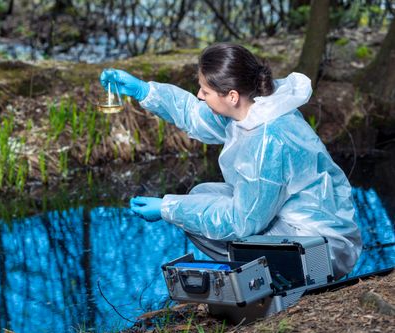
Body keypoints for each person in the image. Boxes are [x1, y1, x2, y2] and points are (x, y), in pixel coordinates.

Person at [99, 43, 362, 279]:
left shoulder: (268, 140)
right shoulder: (254, 105)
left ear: (232, 95)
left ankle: (274, 281)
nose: (200, 96)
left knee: (196, 215)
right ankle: (261, 276)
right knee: (200, 194)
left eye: (205, 91)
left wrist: (167, 209)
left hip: (320, 250)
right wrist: (144, 90)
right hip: (294, 220)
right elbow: (194, 115)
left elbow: (240, 222)